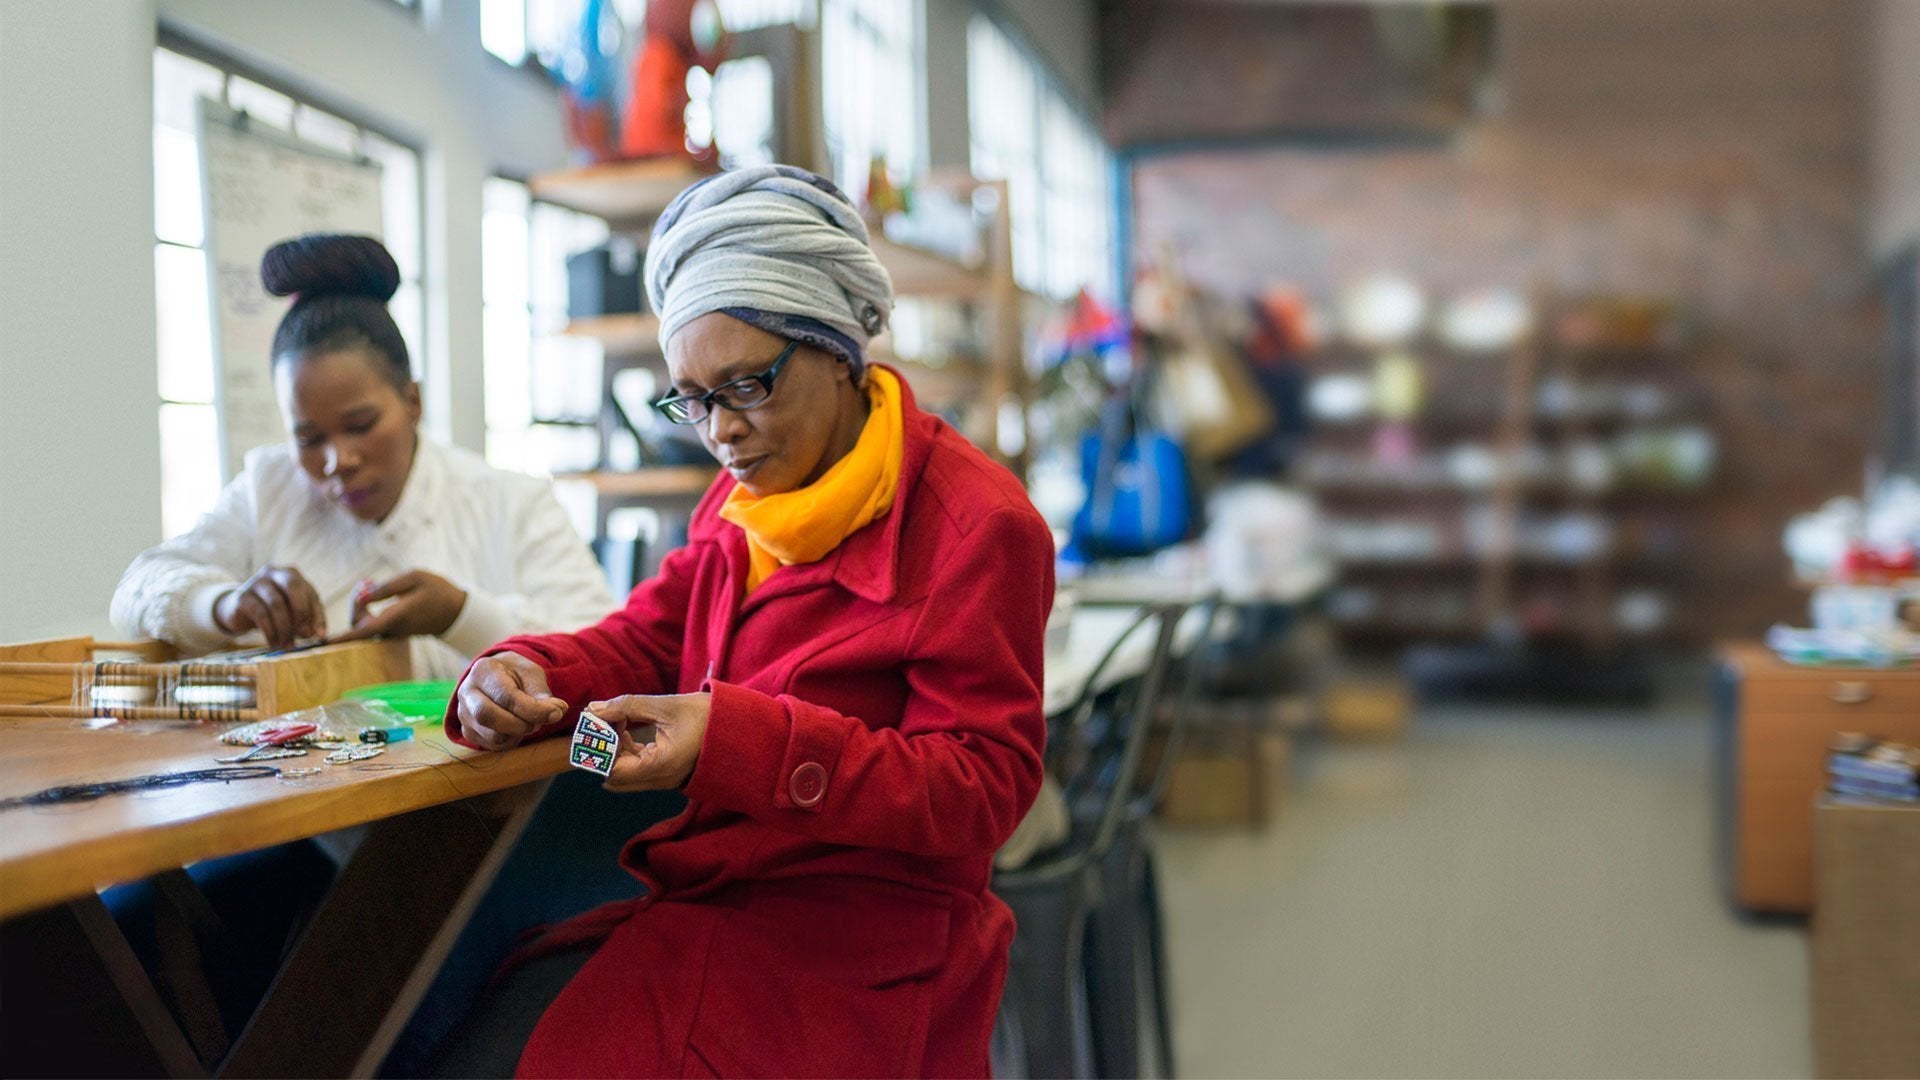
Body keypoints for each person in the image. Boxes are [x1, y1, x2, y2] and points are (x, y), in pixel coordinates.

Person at [436, 165, 1053, 1077]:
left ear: (841, 356)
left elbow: (983, 787)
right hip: (714, 906)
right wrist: (524, 668)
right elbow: (648, 634)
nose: (720, 431)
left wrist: (742, 742)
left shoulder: (975, 527)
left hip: (865, 953)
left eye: (747, 386)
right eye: (691, 399)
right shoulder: (741, 506)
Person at [111, 233, 614, 678]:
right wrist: (224, 604)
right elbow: (136, 590)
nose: (337, 461)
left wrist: (460, 615)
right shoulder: (270, 488)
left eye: (360, 426)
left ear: (412, 402)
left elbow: (606, 650)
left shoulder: (512, 502)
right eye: (309, 439)